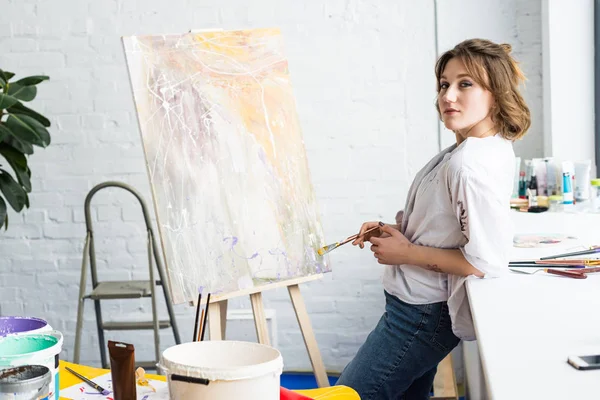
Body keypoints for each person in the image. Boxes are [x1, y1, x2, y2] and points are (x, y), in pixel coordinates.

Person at [336, 38, 531, 399]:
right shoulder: (471, 149)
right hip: (414, 307)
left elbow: (485, 262)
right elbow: (447, 228)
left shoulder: (469, 165)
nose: (448, 96)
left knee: (346, 395)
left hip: (421, 314)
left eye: (465, 84)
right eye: (444, 84)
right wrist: (396, 232)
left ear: (495, 92)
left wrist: (406, 253)